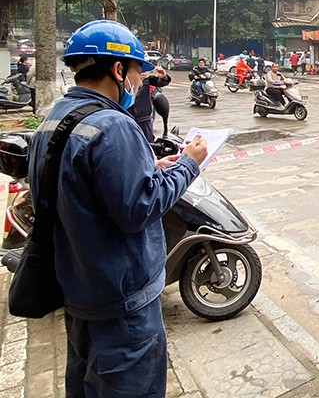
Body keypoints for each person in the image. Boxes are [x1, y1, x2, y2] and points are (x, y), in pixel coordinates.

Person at [28, 20, 207, 397]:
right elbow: (138, 209)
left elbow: (82, 188)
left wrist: (147, 169)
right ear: (118, 69)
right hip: (122, 306)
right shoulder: (113, 125)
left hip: (80, 293)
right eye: (139, 70)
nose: (141, 81)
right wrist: (189, 164)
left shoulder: (52, 119)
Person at [128, 64, 172, 143]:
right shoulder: (120, 81)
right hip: (127, 120)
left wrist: (163, 76)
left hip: (144, 121)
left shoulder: (146, 78)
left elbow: (161, 82)